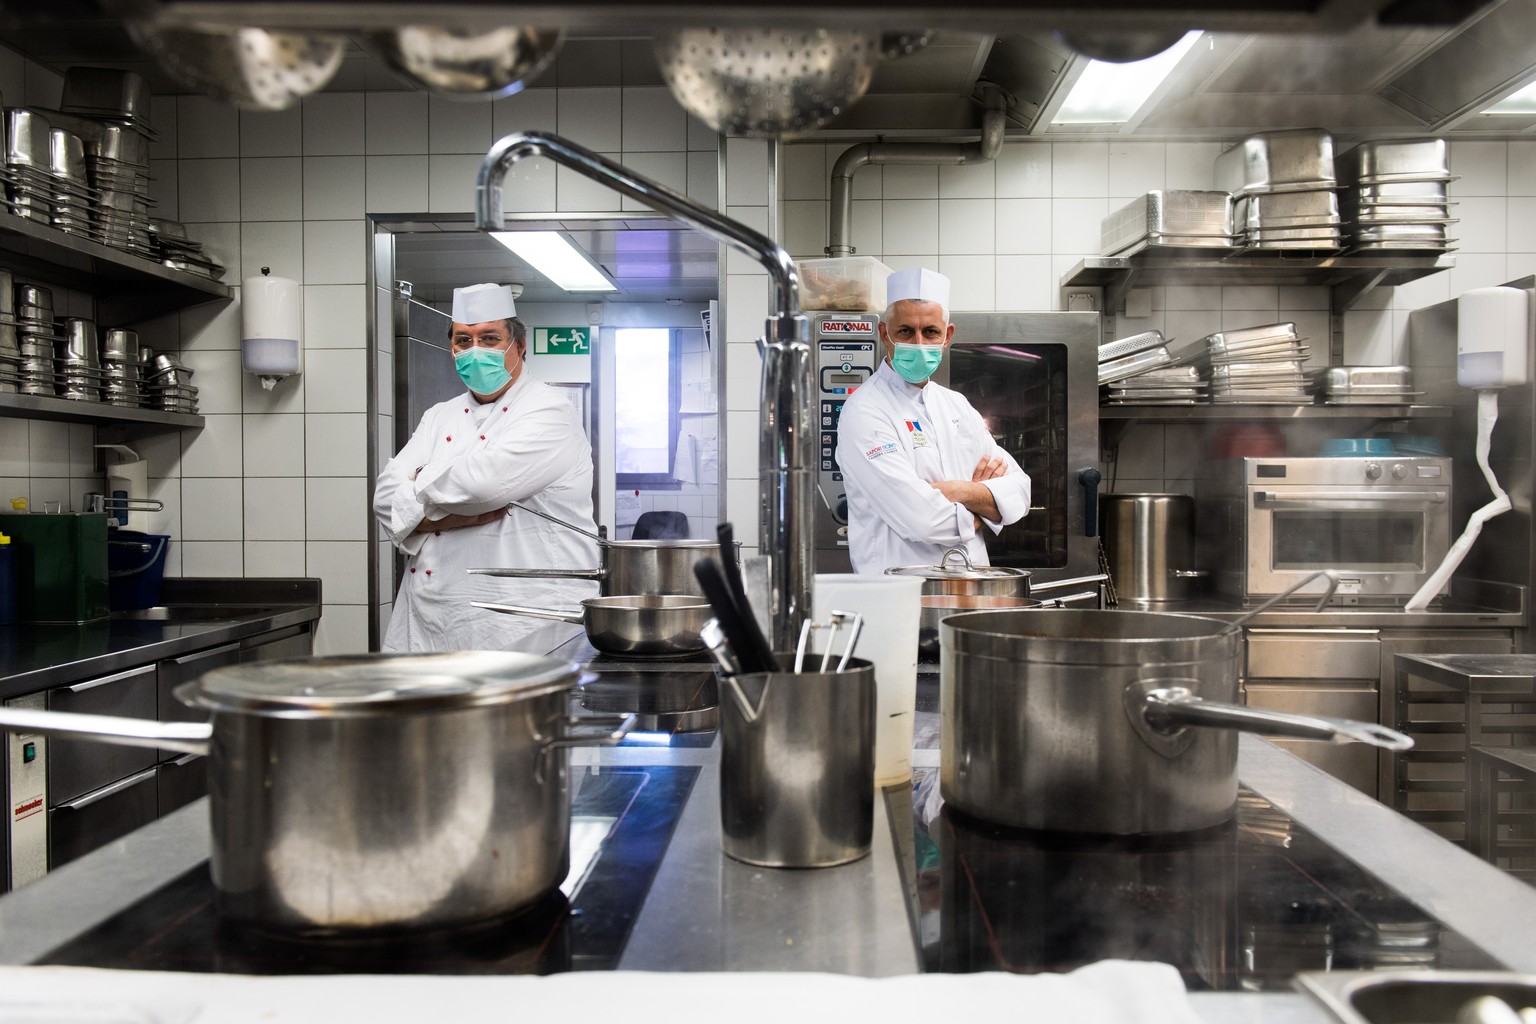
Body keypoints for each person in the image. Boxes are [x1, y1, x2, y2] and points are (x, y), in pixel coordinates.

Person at [374, 282, 600, 652]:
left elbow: (483, 485)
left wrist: (417, 490)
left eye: (490, 338)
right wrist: (446, 516)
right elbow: (384, 498)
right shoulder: (439, 415)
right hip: (434, 613)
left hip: (523, 615)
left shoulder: (549, 410)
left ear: (519, 346)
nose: (474, 350)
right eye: (463, 340)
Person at [834, 268, 1032, 574]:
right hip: (901, 598)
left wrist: (959, 491)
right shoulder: (865, 411)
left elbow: (1020, 491)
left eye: (930, 332)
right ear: (885, 334)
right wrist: (989, 508)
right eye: (905, 332)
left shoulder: (957, 405)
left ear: (947, 336)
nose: (918, 342)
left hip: (970, 593)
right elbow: (924, 521)